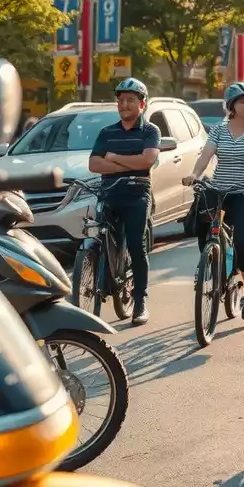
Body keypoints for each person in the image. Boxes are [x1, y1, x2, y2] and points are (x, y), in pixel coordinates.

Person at [183, 80, 244, 320]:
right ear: (232, 105)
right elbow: (206, 156)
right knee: (203, 221)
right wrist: (194, 175)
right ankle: (211, 262)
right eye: (243, 101)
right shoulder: (219, 130)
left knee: (242, 242)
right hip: (220, 190)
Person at [88, 77, 161, 326]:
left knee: (137, 246)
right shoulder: (106, 132)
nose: (124, 105)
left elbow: (146, 161)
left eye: (131, 100)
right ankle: (107, 284)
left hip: (137, 194)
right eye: (121, 100)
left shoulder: (150, 131)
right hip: (109, 194)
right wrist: (130, 161)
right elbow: (94, 163)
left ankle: (140, 302)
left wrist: (115, 158)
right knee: (104, 240)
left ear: (142, 105)